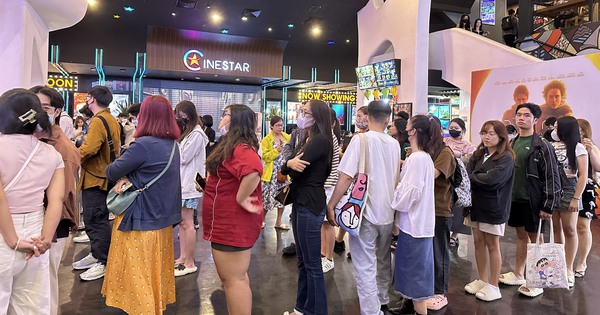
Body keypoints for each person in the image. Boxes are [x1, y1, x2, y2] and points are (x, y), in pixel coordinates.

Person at [101, 95, 182, 314]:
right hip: (162, 221)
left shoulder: (142, 145)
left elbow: (111, 172)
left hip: (140, 221)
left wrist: (127, 165)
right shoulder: (173, 145)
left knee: (138, 281)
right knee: (152, 277)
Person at [327, 100, 401, 315]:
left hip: (364, 211)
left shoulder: (361, 140)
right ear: (388, 120)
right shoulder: (394, 144)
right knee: (383, 258)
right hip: (388, 210)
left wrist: (331, 204)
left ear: (368, 117)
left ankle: (371, 310)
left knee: (365, 264)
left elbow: (346, 176)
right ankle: (382, 299)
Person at [0, 88, 65, 315]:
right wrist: (45, 239)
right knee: (32, 306)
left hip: (5, 236)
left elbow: (1, 202)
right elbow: (56, 200)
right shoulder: (52, 155)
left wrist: (13, 241)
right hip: (36, 236)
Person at [202, 104, 263, 315]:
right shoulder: (232, 145)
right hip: (223, 222)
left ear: (237, 120)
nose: (222, 118)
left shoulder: (242, 148)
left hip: (231, 224)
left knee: (233, 280)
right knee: (234, 279)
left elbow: (254, 170)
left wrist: (241, 198)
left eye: (226, 115)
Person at [500, 103, 562, 298]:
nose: (521, 118)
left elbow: (552, 176)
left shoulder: (542, 145)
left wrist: (548, 205)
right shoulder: (512, 142)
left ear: (535, 120)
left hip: (533, 200)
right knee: (521, 236)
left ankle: (537, 280)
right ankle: (519, 273)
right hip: (515, 198)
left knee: (537, 241)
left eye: (526, 115)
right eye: (519, 115)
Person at [30, 86, 81, 315]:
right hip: (32, 220)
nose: (38, 112)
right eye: (34, 106)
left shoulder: (62, 148)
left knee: (46, 280)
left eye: (45, 108)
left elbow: (62, 197)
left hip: (53, 223)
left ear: (57, 112)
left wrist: (47, 233)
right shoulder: (32, 138)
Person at [281, 100, 333, 315]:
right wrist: (289, 164)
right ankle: (301, 308)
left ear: (317, 116)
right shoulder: (307, 138)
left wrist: (288, 165)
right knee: (304, 261)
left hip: (310, 204)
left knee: (312, 264)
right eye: (301, 111)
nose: (301, 115)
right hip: (303, 202)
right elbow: (290, 165)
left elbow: (293, 170)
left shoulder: (320, 140)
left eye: (305, 112)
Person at [388, 115, 436, 315]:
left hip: (414, 227)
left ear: (413, 131)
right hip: (416, 225)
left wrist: (392, 202)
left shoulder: (417, 158)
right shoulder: (422, 157)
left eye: (407, 126)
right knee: (413, 274)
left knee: (415, 278)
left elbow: (410, 193)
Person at [72, 86, 121, 281]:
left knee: (95, 219)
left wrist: (71, 155)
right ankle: (97, 254)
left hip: (96, 178)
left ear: (91, 99)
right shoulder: (110, 119)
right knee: (96, 218)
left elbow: (90, 148)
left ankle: (103, 260)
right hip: (104, 176)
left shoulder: (98, 121)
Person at [463, 120, 515, 302]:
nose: (486, 137)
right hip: (474, 205)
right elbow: (467, 175)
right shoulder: (477, 155)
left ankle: (493, 284)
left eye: (491, 133)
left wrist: (475, 177)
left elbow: (493, 180)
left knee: (492, 245)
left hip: (494, 207)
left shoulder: (506, 157)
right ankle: (482, 278)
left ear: (501, 136)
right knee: (477, 242)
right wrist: (478, 177)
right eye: (484, 133)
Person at [550, 116, 589, 288]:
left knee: (570, 230)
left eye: (557, 127)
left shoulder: (578, 147)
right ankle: (559, 264)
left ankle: (568, 268)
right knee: (556, 229)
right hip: (553, 190)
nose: (554, 129)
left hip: (570, 190)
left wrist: (576, 198)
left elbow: (583, 176)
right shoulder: (551, 146)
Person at [424, 117, 456, 311]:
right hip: (423, 210)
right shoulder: (426, 151)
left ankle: (439, 292)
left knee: (439, 252)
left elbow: (431, 175)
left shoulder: (445, 152)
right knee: (425, 252)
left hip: (439, 209)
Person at [173, 100, 208, 277]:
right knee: (182, 223)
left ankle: (190, 262)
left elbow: (184, 157)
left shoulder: (196, 134)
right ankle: (182, 257)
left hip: (190, 184)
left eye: (180, 113)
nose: (178, 117)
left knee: (188, 224)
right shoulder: (189, 133)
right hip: (183, 183)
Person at [335, 106, 370, 256]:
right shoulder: (358, 136)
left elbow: (347, 172)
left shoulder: (361, 139)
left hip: (359, 184)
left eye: (360, 115)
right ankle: (339, 240)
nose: (358, 118)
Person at [444, 118, 476, 248]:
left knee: (459, 208)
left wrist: (458, 156)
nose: (453, 130)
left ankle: (454, 235)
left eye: (456, 128)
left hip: (460, 181)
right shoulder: (445, 141)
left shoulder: (469, 145)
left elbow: (470, 160)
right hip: (446, 177)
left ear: (462, 130)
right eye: (451, 127)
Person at [574, 118, 600, 278]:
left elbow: (598, 167)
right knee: (567, 228)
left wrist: (590, 151)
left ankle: (581, 262)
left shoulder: (591, 146)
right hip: (569, 186)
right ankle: (566, 261)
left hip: (587, 188)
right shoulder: (568, 146)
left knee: (583, 226)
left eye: (580, 129)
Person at [260, 115, 291, 230]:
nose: (280, 127)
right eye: (277, 125)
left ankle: (279, 221)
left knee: (282, 197)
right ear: (271, 126)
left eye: (281, 125)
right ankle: (262, 220)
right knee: (266, 198)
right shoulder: (266, 140)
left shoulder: (287, 138)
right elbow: (265, 157)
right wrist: (276, 150)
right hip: (271, 173)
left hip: (284, 172)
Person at [321, 108, 341, 273]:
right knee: (323, 224)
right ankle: (323, 254)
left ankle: (329, 257)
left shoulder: (330, 138)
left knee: (328, 224)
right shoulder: (327, 138)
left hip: (328, 186)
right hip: (325, 186)